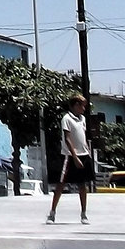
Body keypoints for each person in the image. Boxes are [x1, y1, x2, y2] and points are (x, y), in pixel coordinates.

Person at [46, 94, 93, 224]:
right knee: (61, 184)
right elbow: (67, 139)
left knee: (82, 185)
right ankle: (52, 213)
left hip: (83, 155)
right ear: (76, 105)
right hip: (70, 156)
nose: (84, 109)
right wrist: (75, 157)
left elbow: (82, 136)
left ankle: (83, 214)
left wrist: (87, 152)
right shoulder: (66, 118)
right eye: (82, 106)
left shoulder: (82, 119)